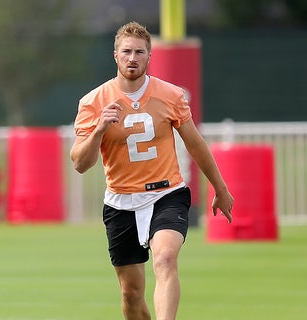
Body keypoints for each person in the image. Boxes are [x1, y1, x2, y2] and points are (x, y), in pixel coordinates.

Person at [69, 21, 234, 320]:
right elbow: (81, 163)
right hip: (120, 201)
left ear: (149, 56)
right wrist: (99, 129)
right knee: (131, 296)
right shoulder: (93, 102)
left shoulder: (170, 95)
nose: (133, 58)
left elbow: (196, 144)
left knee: (166, 259)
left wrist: (219, 188)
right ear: (115, 55)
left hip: (166, 194)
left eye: (139, 52)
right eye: (127, 52)